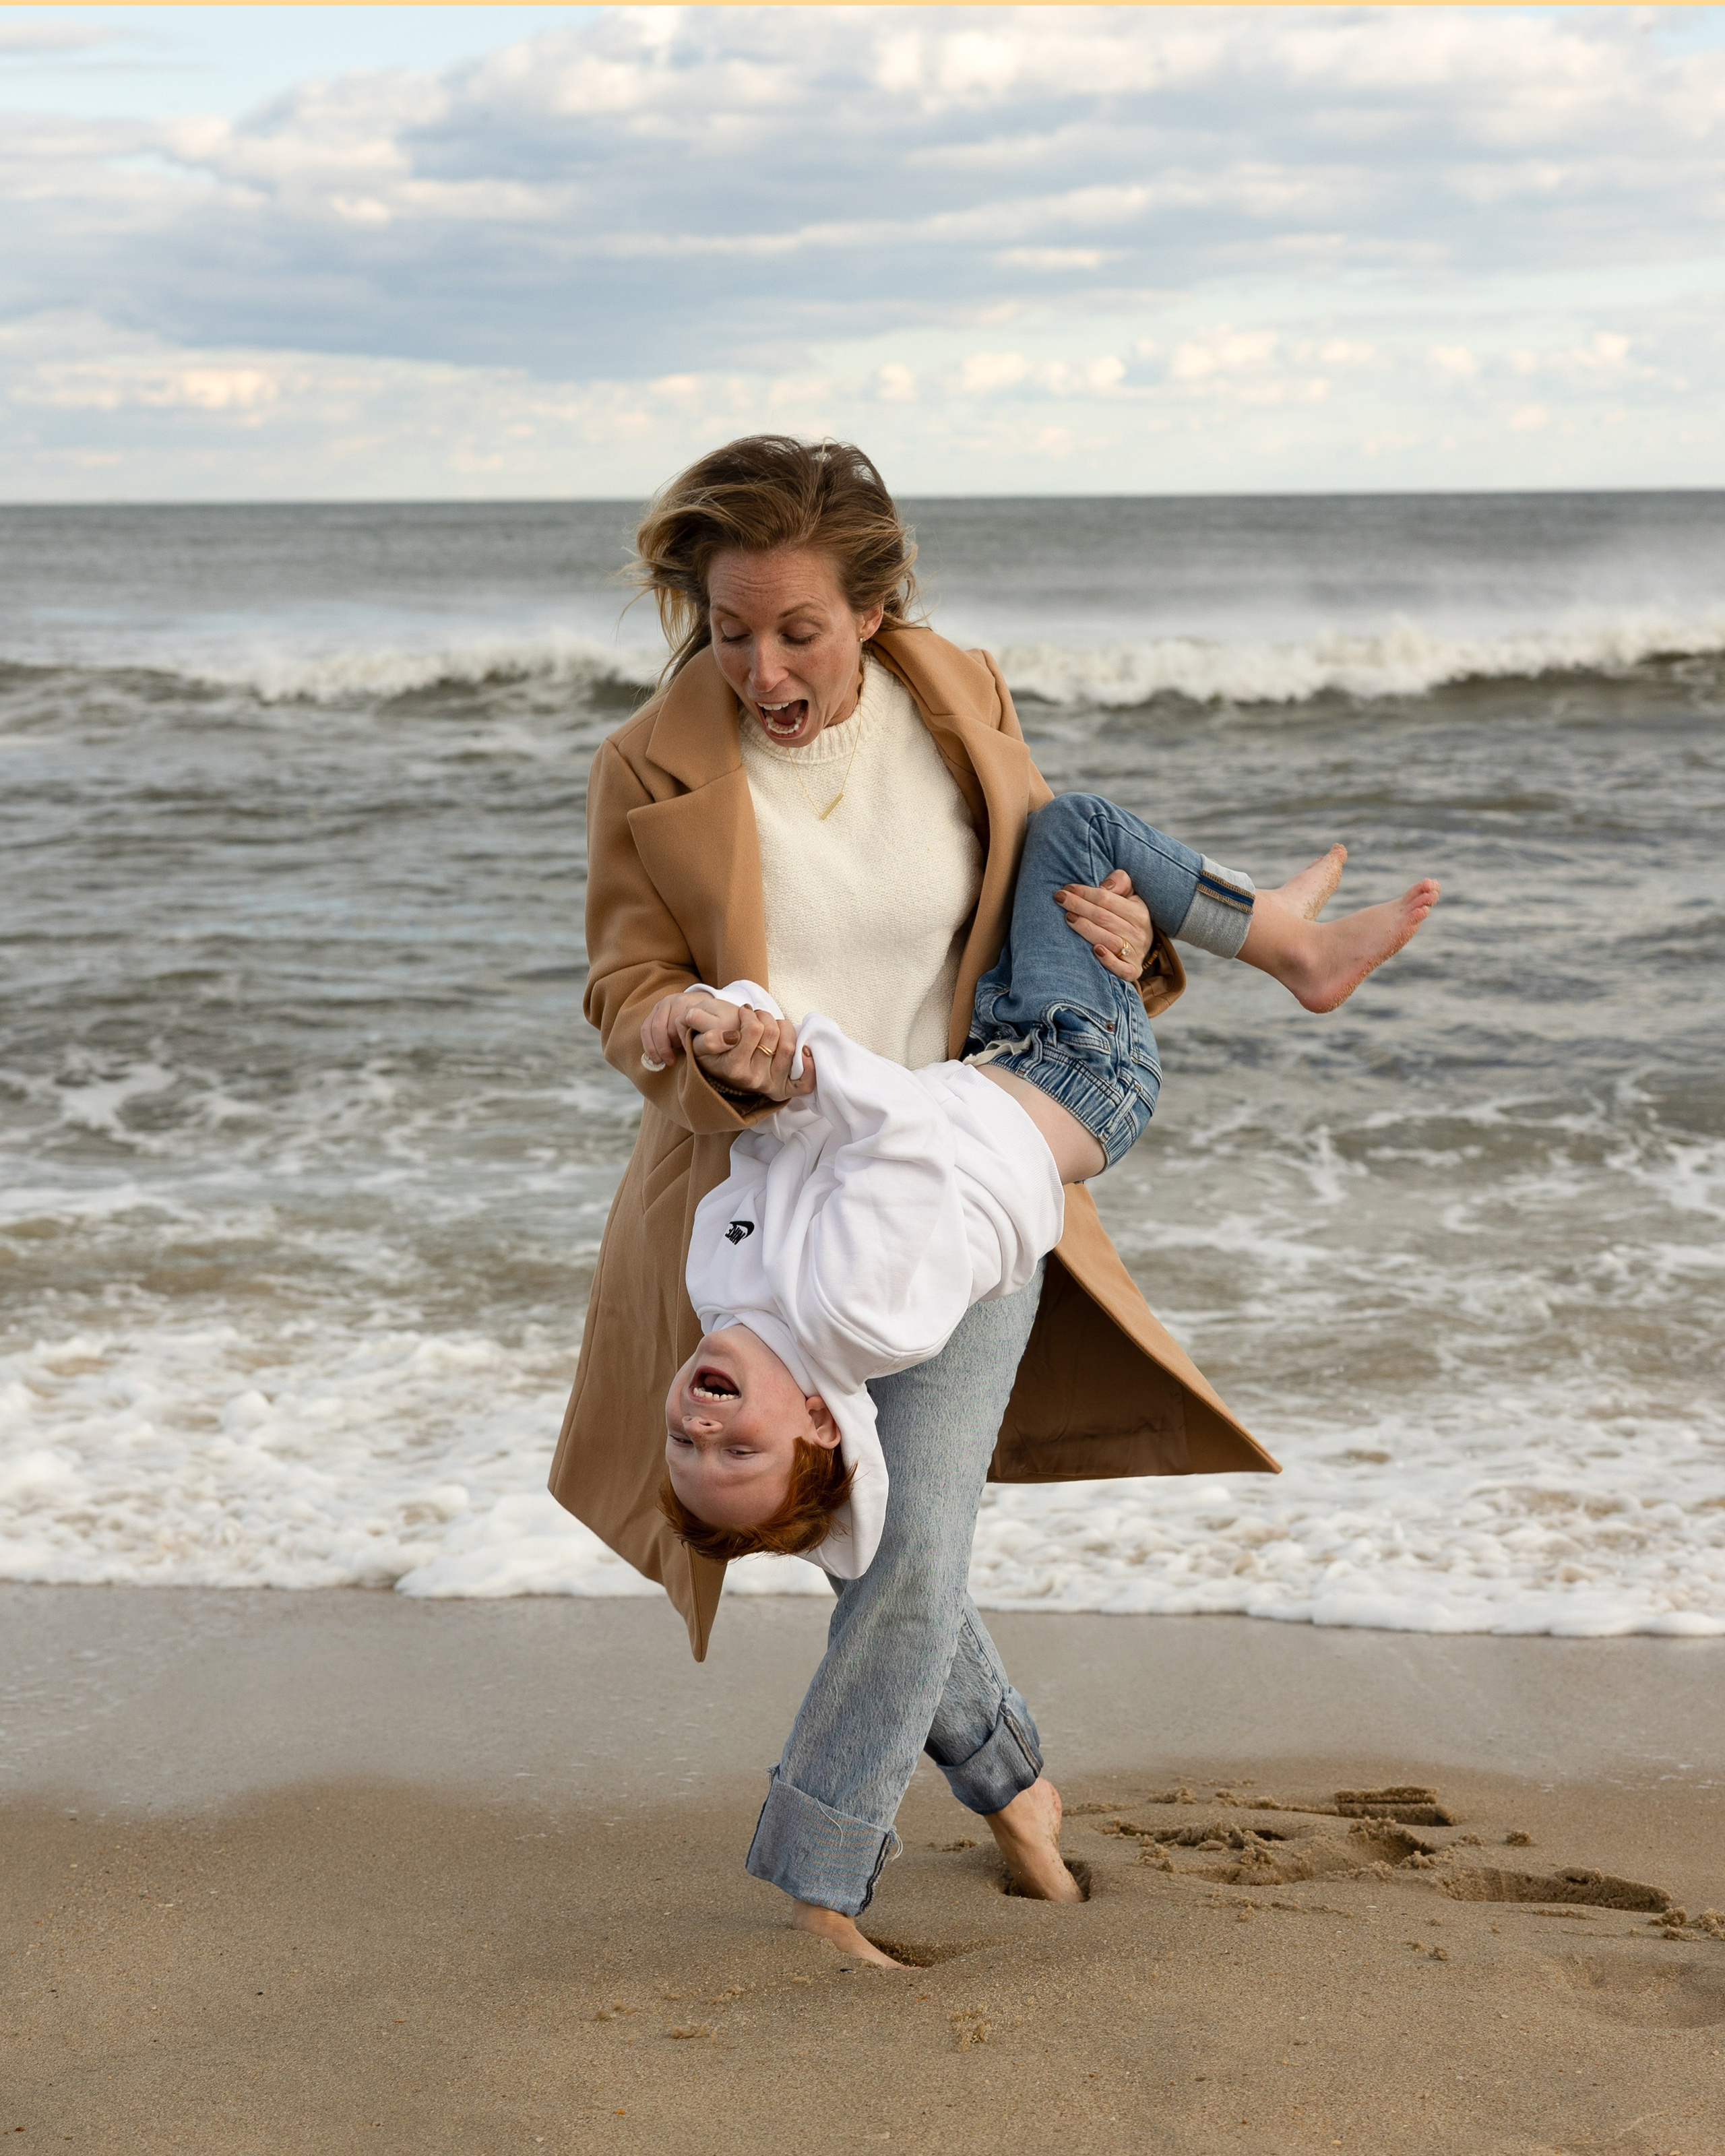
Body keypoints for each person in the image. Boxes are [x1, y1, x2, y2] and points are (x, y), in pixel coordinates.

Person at [547, 434, 1437, 1970]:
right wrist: (698, 1035)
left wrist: (1126, 941)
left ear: (875, 613)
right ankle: (1015, 1787)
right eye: (727, 627)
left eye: (797, 629)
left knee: (912, 1542)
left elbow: (1048, 900)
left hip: (963, 1181)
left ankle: (820, 1883)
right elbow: (625, 988)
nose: (760, 665)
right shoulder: (647, 766)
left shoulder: (956, 691)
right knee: (896, 1539)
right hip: (782, 1186)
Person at [651, 791, 1436, 1577]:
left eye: (683, 1443)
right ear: (821, 1421)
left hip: (990, 1061)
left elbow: (769, 1138)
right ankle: (1293, 949)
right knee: (1076, 832)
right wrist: (800, 1061)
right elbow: (900, 1138)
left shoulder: (717, 1286)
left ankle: (1263, 915)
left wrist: (719, 1020)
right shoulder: (858, 1316)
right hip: (1080, 1078)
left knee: (1062, 867)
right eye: (741, 1449)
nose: (703, 1426)